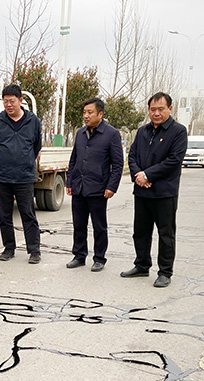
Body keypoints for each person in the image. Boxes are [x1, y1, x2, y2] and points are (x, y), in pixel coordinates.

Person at [122, 92, 188, 287]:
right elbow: (132, 156)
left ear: (170, 109)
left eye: (161, 109)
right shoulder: (143, 131)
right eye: (153, 109)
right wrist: (138, 175)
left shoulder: (178, 132)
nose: (156, 113)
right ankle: (142, 265)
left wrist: (148, 175)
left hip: (164, 193)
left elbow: (173, 161)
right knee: (140, 232)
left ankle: (165, 272)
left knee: (165, 234)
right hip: (142, 191)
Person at [0, 84, 42, 264]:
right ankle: (9, 248)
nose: (8, 105)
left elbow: (36, 146)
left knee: (28, 214)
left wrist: (24, 161)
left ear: (20, 101)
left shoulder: (33, 121)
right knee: (4, 215)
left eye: (11, 101)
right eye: (5, 102)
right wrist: (2, 161)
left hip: (24, 177)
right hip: (2, 176)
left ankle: (34, 250)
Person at [65, 98, 123, 272]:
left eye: (90, 112)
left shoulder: (111, 134)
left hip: (98, 188)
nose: (86, 116)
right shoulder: (80, 133)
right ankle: (79, 255)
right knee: (79, 224)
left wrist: (111, 186)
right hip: (79, 187)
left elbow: (118, 164)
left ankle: (99, 258)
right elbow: (74, 158)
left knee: (99, 226)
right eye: (84, 112)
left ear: (100, 114)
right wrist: (70, 181)